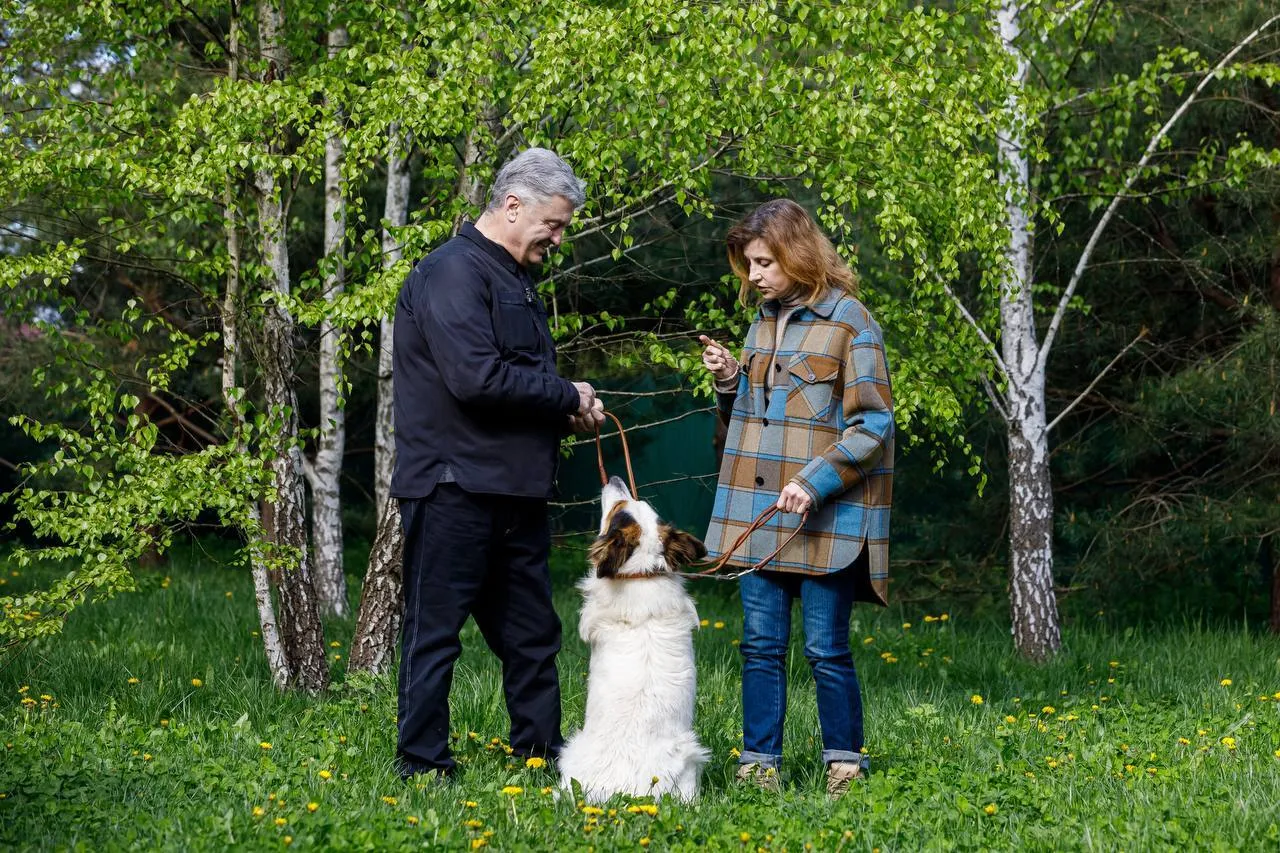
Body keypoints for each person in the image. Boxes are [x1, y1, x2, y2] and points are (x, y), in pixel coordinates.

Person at [390, 147, 605, 781]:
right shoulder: (451, 273)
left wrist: (563, 413)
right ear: (513, 206)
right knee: (435, 637)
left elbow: (517, 383)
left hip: (515, 492)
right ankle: (423, 766)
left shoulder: (516, 279)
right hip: (452, 489)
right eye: (554, 224)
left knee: (534, 638)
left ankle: (539, 759)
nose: (558, 239)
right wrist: (567, 395)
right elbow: (475, 378)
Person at [699, 198, 894, 799]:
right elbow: (748, 425)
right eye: (748, 264)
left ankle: (844, 765)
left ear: (797, 254)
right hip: (758, 514)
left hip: (828, 519)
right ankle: (759, 765)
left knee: (825, 648)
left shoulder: (850, 321)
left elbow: (874, 426)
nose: (753, 275)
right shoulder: (761, 323)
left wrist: (813, 482)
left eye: (763, 262)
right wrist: (732, 381)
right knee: (759, 646)